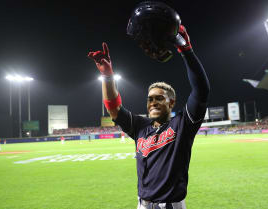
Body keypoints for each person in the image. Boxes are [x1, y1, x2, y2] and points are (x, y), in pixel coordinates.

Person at [88, 26, 210, 208]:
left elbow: (201, 90)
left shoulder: (183, 124)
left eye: (159, 98)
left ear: (171, 102)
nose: (153, 102)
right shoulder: (140, 126)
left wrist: (186, 49)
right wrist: (107, 76)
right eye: (150, 99)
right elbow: (113, 107)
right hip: (142, 205)